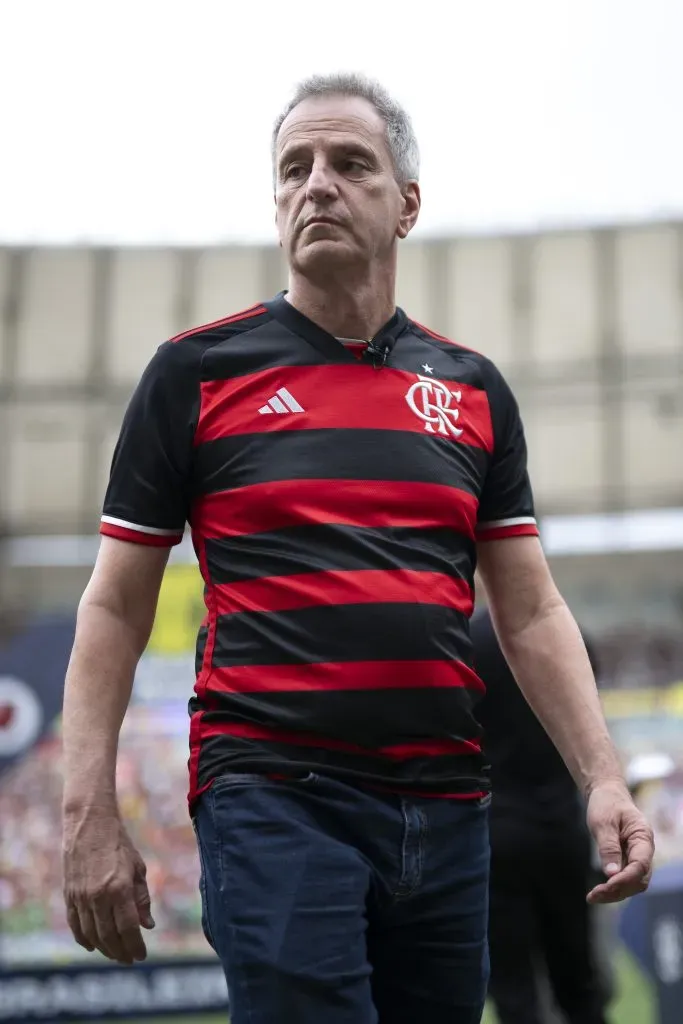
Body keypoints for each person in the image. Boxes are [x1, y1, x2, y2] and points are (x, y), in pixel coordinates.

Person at [61, 72, 654, 1024]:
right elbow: (114, 604)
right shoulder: (196, 373)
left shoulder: (471, 391)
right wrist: (87, 810)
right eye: (293, 168)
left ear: (406, 204)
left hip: (451, 809)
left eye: (348, 163)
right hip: (274, 797)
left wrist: (603, 778)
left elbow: (532, 608)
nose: (316, 185)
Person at [471, 605, 614, 1024]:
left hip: (497, 831)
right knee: (581, 986)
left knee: (514, 992)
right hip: (561, 827)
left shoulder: (469, 641)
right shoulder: (570, 635)